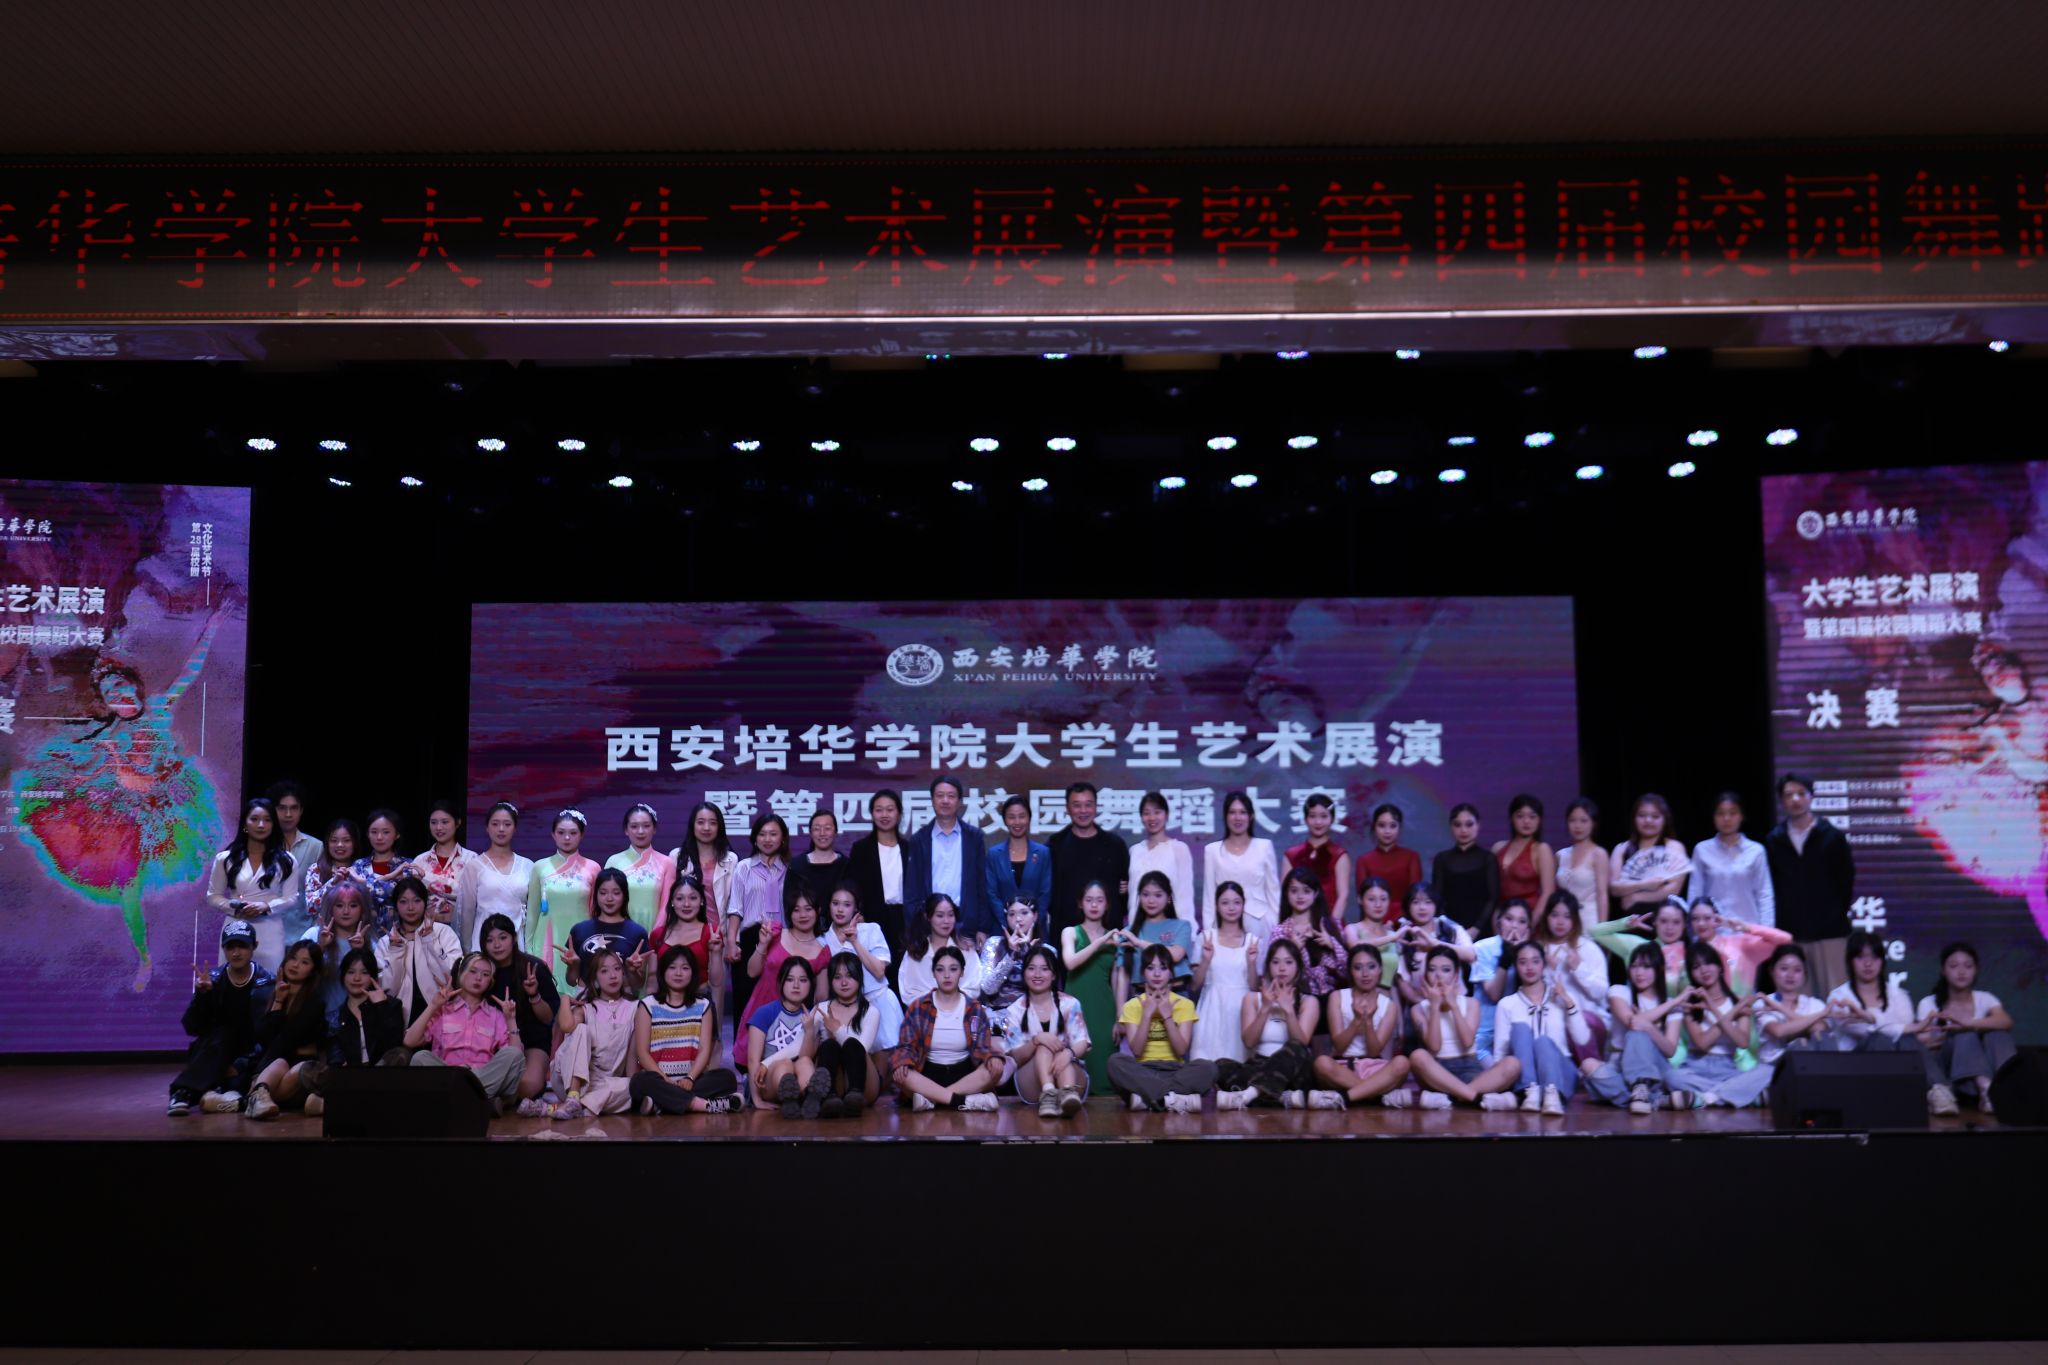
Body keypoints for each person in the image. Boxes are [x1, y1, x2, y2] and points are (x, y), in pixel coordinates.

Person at [166, 919, 276, 1116]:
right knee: (223, 1034)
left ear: (254, 946)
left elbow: (268, 1033)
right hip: (216, 1050)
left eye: (242, 946)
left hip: (251, 1054)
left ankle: (228, 1098)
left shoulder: (267, 981)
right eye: (230, 947)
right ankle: (183, 1092)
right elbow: (192, 1027)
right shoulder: (213, 980)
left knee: (240, 1080)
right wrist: (204, 996)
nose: (236, 953)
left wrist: (241, 1064)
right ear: (223, 949)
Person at [1765, 773, 1856, 998]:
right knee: (1797, 998)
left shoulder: (1832, 836)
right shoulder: (1774, 840)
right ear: (1781, 800)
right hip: (1791, 933)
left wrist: (1832, 913)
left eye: (1801, 793)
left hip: (1830, 932)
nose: (1795, 799)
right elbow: (1771, 887)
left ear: (1811, 796)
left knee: (1836, 996)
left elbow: (1845, 881)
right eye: (1789, 795)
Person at [404, 950, 527, 1112]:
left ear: (490, 981)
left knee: (514, 1055)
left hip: (483, 1076)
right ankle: (479, 1102)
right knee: (420, 1057)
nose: (478, 978)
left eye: (485, 974)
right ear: (461, 974)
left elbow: (516, 1057)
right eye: (473, 971)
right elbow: (409, 1041)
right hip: (448, 1076)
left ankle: (460, 1099)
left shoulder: (496, 1015)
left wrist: (511, 1019)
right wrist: (433, 1006)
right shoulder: (443, 1010)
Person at [523, 947, 638, 1119]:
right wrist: (564, 1000)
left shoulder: (634, 1008)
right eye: (604, 971)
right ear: (595, 978)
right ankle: (573, 1096)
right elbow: (566, 1026)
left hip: (604, 1084)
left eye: (617, 969)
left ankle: (555, 1109)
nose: (613, 975)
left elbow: (632, 1056)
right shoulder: (586, 1008)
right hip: (568, 1079)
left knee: (635, 1086)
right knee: (581, 1029)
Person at [628, 945, 741, 1116]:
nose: (678, 973)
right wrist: (665, 1080)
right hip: (659, 1079)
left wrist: (690, 1077)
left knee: (727, 1078)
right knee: (638, 1082)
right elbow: (642, 1053)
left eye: (685, 968)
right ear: (663, 972)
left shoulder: (703, 1005)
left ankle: (661, 1104)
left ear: (693, 973)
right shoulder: (648, 1005)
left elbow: (704, 1050)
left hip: (691, 1080)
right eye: (672, 967)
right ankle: (702, 1105)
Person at [1405, 945, 1520, 1110]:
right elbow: (1434, 1047)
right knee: (1418, 1056)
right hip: (1436, 1071)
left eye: (1445, 970)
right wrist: (1435, 1006)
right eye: (1432, 970)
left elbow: (1467, 1042)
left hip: (1469, 1067)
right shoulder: (1418, 1009)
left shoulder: (1471, 1003)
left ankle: (1451, 1098)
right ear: (1426, 975)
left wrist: (1453, 1005)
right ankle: (1475, 1098)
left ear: (1456, 975)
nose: (1438, 976)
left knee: (1512, 1063)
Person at [892, 945, 1004, 1112]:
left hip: (964, 1074)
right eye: (940, 969)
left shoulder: (974, 1008)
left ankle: (932, 1100)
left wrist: (992, 1058)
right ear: (933, 973)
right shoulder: (919, 1006)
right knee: (901, 1074)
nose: (946, 975)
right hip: (928, 1073)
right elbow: (906, 1045)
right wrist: (902, 1062)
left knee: (995, 1069)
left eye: (953, 969)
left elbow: (983, 1047)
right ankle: (964, 1101)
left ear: (962, 972)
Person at [1213, 938, 1323, 1109]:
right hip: (1260, 1065)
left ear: (1298, 967)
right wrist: (1265, 1008)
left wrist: (1289, 1010)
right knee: (1220, 1066)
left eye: (1289, 962)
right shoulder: (1252, 999)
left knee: (1295, 1046)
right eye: (1275, 962)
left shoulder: (1309, 1001)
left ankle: (1250, 1094)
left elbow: (1302, 1043)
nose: (1282, 968)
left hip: (1294, 1070)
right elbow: (1249, 1042)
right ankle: (1281, 1097)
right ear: (1268, 966)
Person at [1109, 943, 1214, 1114]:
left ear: (1170, 972)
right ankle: (1172, 1099)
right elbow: (1137, 1050)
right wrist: (1146, 1014)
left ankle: (1149, 1099)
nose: (1157, 974)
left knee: (1208, 1068)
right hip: (1143, 1072)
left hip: (1175, 1071)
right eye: (1150, 968)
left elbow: (1181, 1050)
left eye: (1163, 968)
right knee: (1115, 1062)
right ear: (1143, 972)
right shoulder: (1132, 1006)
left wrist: (1167, 1016)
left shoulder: (1184, 1004)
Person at [1915, 941, 2017, 1116]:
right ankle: (1986, 1090)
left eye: (1968, 966)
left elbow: (2006, 1022)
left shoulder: (1985, 998)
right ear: (1943, 970)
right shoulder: (1929, 1003)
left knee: (1999, 1035)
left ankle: (2001, 1088)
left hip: (1987, 1072)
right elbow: (1922, 1043)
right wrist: (1947, 1036)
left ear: (1976, 970)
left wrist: (1968, 1023)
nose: (1961, 972)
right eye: (1954, 966)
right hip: (1949, 1074)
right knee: (1964, 1036)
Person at [1494, 939, 1593, 1116]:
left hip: (1560, 1072)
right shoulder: (1506, 1004)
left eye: (1535, 961)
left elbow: (1582, 1039)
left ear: (1544, 964)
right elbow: (1500, 1053)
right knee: (1520, 1029)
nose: (1529, 967)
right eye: (1523, 962)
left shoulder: (1562, 996)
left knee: (1543, 1042)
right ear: (1516, 966)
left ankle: (1550, 1095)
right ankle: (1529, 1091)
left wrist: (1569, 1003)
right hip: (1525, 1077)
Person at [1667, 941, 1770, 1108]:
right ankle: (1733, 1096)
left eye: (1708, 963)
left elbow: (1742, 1042)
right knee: (1671, 1076)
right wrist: (1734, 1010)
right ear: (1691, 974)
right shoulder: (1691, 1004)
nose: (1704, 970)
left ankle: (1703, 1098)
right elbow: (1702, 1043)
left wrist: (1713, 1007)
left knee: (1767, 1071)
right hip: (1695, 1067)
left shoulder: (1738, 1000)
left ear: (1720, 967)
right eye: (1696, 967)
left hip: (1727, 1070)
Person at [205, 797, 297, 973]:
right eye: (254, 819)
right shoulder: (226, 858)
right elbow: (213, 896)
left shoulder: (286, 860)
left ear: (273, 825)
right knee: (231, 978)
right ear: (245, 824)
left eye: (267, 820)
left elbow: (292, 897)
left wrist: (266, 906)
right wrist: (235, 908)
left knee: (268, 979)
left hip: (270, 929)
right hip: (236, 926)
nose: (261, 825)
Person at [1595, 943, 1689, 1114]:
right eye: (1635, 966)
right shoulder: (1619, 992)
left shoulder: (1669, 1003)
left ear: (1659, 969)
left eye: (1646, 967)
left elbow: (1669, 1050)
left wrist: (1649, 1027)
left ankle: (1642, 1086)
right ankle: (1657, 1099)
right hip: (1620, 1062)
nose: (1639, 973)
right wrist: (1675, 1002)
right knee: (1589, 1067)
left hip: (1656, 1064)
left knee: (1638, 1034)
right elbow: (1632, 1022)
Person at [240, 940, 328, 1121]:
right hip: (272, 1066)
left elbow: (289, 1038)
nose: (295, 965)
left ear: (313, 970)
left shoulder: (315, 1002)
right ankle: (258, 1097)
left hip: (295, 1067)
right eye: (293, 958)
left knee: (297, 1067)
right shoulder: (266, 993)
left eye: (305, 962)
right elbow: (264, 1038)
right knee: (280, 1063)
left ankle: (250, 1098)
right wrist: (279, 1001)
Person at [1315, 943, 1411, 1106]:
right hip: (1342, 1067)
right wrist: (1357, 1020)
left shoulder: (1389, 1005)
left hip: (1374, 1067)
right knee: (1321, 1063)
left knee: (1402, 1063)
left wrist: (1368, 1022)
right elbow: (1339, 1047)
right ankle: (1375, 1095)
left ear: (1380, 970)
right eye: (1358, 968)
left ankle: (1346, 1097)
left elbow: (1374, 1052)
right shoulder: (1337, 997)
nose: (1365, 974)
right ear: (1351, 972)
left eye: (1371, 967)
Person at [903, 775, 995, 944]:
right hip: (928, 926)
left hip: (966, 925)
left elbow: (982, 885)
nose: (945, 801)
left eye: (951, 796)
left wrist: (982, 927)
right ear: (932, 800)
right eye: (940, 795)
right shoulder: (919, 839)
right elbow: (911, 890)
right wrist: (915, 928)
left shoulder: (974, 837)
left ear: (959, 801)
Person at [738, 885, 831, 1050]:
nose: (803, 915)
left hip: (794, 1021)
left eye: (808, 909)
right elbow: (752, 972)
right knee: (753, 1062)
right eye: (796, 910)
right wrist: (763, 944)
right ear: (789, 913)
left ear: (818, 911)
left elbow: (821, 998)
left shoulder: (822, 952)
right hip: (761, 1009)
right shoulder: (775, 934)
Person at [1061, 879, 1131, 1096]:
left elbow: (1118, 978)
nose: (1094, 905)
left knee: (1104, 1073)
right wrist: (1100, 942)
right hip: (1075, 1006)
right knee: (1075, 1063)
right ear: (1080, 903)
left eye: (1099, 900)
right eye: (1089, 900)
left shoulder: (1115, 938)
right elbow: (1070, 962)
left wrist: (1119, 1017)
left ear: (1107, 904)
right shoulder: (1070, 932)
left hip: (1104, 1008)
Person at [478, 912, 558, 1102]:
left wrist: (534, 994)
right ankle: (491, 1100)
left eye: (502, 938)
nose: (497, 945)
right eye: (490, 940)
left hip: (532, 1043)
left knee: (527, 1086)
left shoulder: (533, 967)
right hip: (492, 1043)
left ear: (514, 938)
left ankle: (490, 1100)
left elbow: (548, 1018)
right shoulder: (482, 971)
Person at [1004, 944, 1090, 1117]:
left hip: (1069, 1074)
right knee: (1043, 1045)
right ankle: (1048, 1094)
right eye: (1031, 968)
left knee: (1061, 1051)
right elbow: (1016, 1056)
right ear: (1024, 973)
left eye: (1044, 969)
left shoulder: (1070, 1003)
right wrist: (1036, 1040)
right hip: (1031, 1082)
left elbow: (1083, 1041)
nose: (1037, 974)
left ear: (1054, 975)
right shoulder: (1014, 1010)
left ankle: (1067, 1094)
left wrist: (1069, 1054)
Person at [726, 812, 791, 1040]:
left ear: (783, 838)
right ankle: (743, 1055)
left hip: (782, 939)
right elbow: (735, 908)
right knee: (745, 999)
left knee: (779, 996)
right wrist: (732, 942)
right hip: (749, 939)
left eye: (773, 834)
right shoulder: (744, 868)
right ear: (754, 838)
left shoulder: (791, 870)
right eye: (762, 834)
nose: (767, 839)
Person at [819, 881, 903, 1052]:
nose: (840, 910)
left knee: (891, 1061)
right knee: (855, 1058)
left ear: (856, 908)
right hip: (847, 1010)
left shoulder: (870, 930)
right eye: (835, 903)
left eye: (847, 905)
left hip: (880, 1002)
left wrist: (855, 941)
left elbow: (879, 971)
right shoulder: (822, 941)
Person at [375, 876, 464, 1033]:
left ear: (425, 903)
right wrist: (395, 951)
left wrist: (430, 941)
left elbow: (450, 979)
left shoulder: (443, 933)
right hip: (401, 1021)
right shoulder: (385, 942)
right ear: (395, 906)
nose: (410, 907)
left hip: (442, 1016)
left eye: (416, 901)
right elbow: (388, 990)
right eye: (403, 902)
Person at [527, 808, 602, 995]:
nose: (566, 838)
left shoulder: (593, 867)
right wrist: (529, 950)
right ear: (553, 834)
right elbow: (532, 913)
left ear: (582, 835)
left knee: (582, 992)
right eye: (561, 832)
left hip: (581, 937)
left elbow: (597, 912)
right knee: (548, 993)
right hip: (547, 936)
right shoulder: (540, 867)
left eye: (573, 833)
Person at [1049, 781, 1132, 938]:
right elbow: (1048, 894)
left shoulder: (1115, 845)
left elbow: (1126, 893)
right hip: (1065, 935)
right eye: (1077, 805)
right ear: (1067, 808)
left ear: (1096, 807)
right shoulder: (1055, 845)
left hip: (1108, 936)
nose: (1083, 810)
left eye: (1088, 804)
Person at [1191, 881, 1259, 1063]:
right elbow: (1195, 985)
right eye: (1225, 902)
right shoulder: (1206, 938)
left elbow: (1255, 987)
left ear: (1243, 905)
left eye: (1236, 902)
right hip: (1212, 1007)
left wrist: (1251, 963)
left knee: (1238, 1063)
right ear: (1216, 905)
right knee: (1206, 1062)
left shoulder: (1252, 941)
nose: (1231, 908)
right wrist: (1206, 960)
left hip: (1242, 1009)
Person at [849, 789, 910, 991]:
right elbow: (854, 887)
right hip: (873, 920)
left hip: (904, 921)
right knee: (876, 977)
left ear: (899, 814)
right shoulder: (861, 849)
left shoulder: (909, 848)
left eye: (890, 810)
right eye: (879, 810)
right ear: (872, 814)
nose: (884, 815)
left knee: (903, 975)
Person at [747, 956, 822, 1118]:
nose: (796, 985)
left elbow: (806, 1056)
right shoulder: (765, 1013)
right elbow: (753, 1060)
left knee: (805, 1062)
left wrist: (809, 1030)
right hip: (768, 1080)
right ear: (781, 983)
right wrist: (756, 1100)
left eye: (803, 980)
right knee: (785, 1063)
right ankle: (790, 1098)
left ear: (811, 984)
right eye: (790, 979)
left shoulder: (813, 1016)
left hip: (799, 1077)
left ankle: (806, 1100)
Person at [1534, 890, 1611, 1045]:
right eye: (1554, 915)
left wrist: (1579, 968)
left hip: (1587, 1018)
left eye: (1567, 916)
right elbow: (1533, 996)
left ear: (1575, 919)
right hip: (1551, 1020)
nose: (1560, 922)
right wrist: (1547, 970)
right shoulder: (1538, 950)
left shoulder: (1588, 947)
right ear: (1546, 917)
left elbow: (1601, 993)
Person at [1689, 792, 1775, 930]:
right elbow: (1695, 893)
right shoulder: (1702, 850)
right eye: (1720, 813)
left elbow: (1764, 894)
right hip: (1712, 932)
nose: (1726, 818)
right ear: (1713, 817)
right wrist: (1694, 931)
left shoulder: (1756, 851)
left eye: (1732, 813)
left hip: (1747, 930)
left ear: (1741, 816)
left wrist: (1766, 931)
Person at [1203, 790, 1281, 940]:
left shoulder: (1264, 847)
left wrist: (1275, 927)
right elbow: (1209, 898)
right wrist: (1209, 933)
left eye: (1242, 812)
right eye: (1232, 812)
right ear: (1225, 817)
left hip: (1260, 923)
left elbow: (1273, 892)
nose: (1237, 818)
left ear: (1251, 816)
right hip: (1224, 926)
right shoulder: (1212, 851)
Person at [809, 951, 881, 1116]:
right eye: (837, 977)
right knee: (829, 1045)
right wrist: (766, 1064)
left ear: (859, 977)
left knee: (853, 1045)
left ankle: (854, 1097)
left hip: (863, 1084)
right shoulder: (821, 1009)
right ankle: (829, 1098)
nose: (843, 982)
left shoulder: (871, 1012)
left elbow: (860, 1050)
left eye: (849, 976)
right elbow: (798, 1045)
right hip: (835, 1082)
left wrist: (837, 1030)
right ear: (830, 981)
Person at [456, 801, 534, 950]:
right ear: (487, 827)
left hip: (517, 942)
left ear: (515, 828)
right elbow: (467, 913)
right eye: (495, 824)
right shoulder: (475, 866)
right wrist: (468, 952)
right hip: (484, 941)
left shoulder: (527, 866)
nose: (501, 829)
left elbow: (532, 913)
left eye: (507, 824)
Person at [1263, 866, 1346, 1003]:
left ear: (1316, 893)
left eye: (1306, 891)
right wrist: (1293, 949)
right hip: (1295, 1000)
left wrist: (1332, 944)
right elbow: (1274, 974)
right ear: (1286, 894)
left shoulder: (1331, 925)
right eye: (1294, 891)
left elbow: (1347, 972)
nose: (1300, 896)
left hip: (1331, 1000)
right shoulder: (1280, 932)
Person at [565, 868, 653, 992]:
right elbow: (571, 981)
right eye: (603, 893)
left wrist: (632, 971)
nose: (609, 898)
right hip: (586, 998)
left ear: (625, 895)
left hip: (623, 999)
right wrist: (574, 967)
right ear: (595, 895)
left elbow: (638, 984)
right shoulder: (579, 930)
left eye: (616, 893)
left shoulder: (637, 932)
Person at [1754, 944, 1836, 1073]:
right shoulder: (1763, 1002)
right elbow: (1779, 1031)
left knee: (1823, 1039)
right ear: (1772, 971)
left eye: (1797, 970)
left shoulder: (1814, 1004)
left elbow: (1818, 1029)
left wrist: (1779, 1008)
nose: (1790, 975)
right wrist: (1821, 1014)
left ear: (1804, 974)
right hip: (1773, 1066)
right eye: (1784, 968)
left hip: (1813, 1065)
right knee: (1800, 1045)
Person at [1468, 898, 1533, 1062]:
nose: (1514, 926)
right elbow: (1494, 994)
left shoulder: (1532, 954)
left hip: (1517, 1029)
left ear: (1528, 928)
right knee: (1498, 1071)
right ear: (1499, 922)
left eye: (1522, 921)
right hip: (1484, 1033)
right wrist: (1506, 958)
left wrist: (1522, 954)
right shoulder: (1482, 948)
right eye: (1509, 919)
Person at [301, 881, 373, 1027]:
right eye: (339, 905)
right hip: (316, 1019)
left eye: (353, 905)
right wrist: (320, 948)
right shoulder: (313, 935)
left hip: (357, 1020)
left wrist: (359, 953)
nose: (346, 911)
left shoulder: (372, 943)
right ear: (331, 909)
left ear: (362, 910)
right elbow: (297, 975)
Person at [1394, 884, 1476, 1013]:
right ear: (1408, 906)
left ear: (1436, 905)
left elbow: (1471, 955)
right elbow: (1403, 982)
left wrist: (1434, 944)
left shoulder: (1450, 929)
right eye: (1416, 902)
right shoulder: (1403, 935)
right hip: (1420, 1007)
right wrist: (1427, 1006)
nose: (1422, 907)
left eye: (1428, 902)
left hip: (1456, 1004)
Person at [324, 946, 406, 1076]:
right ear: (343, 976)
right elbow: (334, 1054)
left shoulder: (391, 1005)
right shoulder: (334, 1018)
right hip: (350, 1076)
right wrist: (339, 1065)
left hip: (384, 1075)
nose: (357, 978)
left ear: (373, 977)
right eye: (351, 972)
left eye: (364, 972)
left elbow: (394, 1047)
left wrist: (381, 1007)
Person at [1589, 895, 1691, 997]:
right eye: (1663, 921)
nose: (1669, 927)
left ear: (1684, 925)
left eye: (1676, 922)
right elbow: (1595, 932)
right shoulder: (1637, 945)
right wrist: (1625, 923)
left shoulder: (1691, 955)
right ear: (1655, 921)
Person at [1689, 896, 1791, 996]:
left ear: (1717, 919)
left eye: (1707, 918)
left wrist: (1746, 927)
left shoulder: (1739, 945)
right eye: (1695, 919)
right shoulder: (1688, 953)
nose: (1701, 924)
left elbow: (1785, 939)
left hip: (1743, 1006)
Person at [1611, 793, 1690, 920]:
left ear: (1665, 819)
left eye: (1655, 816)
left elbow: (1674, 888)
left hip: (1665, 921)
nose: (1648, 820)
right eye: (1642, 815)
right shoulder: (1622, 849)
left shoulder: (1674, 847)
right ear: (1634, 818)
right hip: (1629, 920)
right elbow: (1614, 888)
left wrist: (1636, 897)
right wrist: (1644, 884)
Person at [671, 801, 739, 949]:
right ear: (692, 825)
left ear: (719, 827)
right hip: (685, 938)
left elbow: (735, 904)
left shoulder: (731, 859)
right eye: (701, 822)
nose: (706, 828)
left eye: (712, 823)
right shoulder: (677, 857)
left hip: (720, 937)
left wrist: (733, 941)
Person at [897, 893, 986, 1005]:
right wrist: (933, 1004)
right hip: (923, 1012)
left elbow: (973, 987)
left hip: (960, 1010)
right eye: (940, 916)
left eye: (950, 915)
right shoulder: (915, 951)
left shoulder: (965, 950)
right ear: (928, 917)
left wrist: (949, 1003)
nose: (946, 921)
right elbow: (908, 991)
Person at [265, 779, 323, 944]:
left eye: (294, 808)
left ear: (301, 810)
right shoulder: (262, 846)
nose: (288, 814)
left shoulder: (316, 846)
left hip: (303, 933)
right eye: (282, 808)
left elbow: (319, 893)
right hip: (266, 929)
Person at [650, 874, 722, 1006]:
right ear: (672, 902)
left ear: (701, 901)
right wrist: (648, 1008)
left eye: (693, 898)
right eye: (679, 898)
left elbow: (716, 982)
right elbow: (652, 981)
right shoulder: (658, 934)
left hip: (699, 1002)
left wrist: (716, 952)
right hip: (664, 1003)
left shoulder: (711, 933)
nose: (686, 904)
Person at [1431, 803, 1500, 940]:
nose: (1463, 830)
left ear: (1478, 826)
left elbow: (1493, 899)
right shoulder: (1441, 859)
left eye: (1469, 824)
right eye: (1458, 825)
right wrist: (1451, 929)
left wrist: (1476, 928)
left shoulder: (1488, 858)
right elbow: (1437, 898)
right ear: (1451, 827)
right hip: (1449, 932)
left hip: (1482, 931)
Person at [606, 802, 677, 934]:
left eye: (646, 826)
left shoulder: (667, 863)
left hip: (655, 932)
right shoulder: (613, 861)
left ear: (654, 829)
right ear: (626, 830)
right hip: (618, 932)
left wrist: (655, 935)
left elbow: (667, 905)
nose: (640, 831)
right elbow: (605, 902)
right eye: (634, 826)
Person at [1128, 790, 1197, 927]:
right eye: (1146, 813)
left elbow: (1185, 897)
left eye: (1157, 812)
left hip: (1170, 928)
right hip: (1137, 928)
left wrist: (1187, 931)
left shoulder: (1179, 849)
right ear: (1141, 817)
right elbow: (1132, 893)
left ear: (1166, 815)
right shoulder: (1135, 850)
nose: (1152, 818)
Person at [1128, 869, 1199, 998]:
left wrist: (1139, 943)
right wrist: (1120, 1007)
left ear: (1168, 898)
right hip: (1141, 997)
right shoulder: (1130, 932)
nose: (1151, 901)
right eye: (1145, 895)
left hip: (1176, 995)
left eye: (1158, 895)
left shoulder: (1182, 926)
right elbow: (1122, 974)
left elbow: (1175, 955)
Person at [980, 895, 1048, 1030]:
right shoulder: (993, 943)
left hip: (1033, 1019)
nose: (1018, 919)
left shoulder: (1047, 951)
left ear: (1035, 916)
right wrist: (1011, 955)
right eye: (1012, 914)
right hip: (997, 1020)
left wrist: (1030, 954)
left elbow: (1046, 995)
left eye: (1024, 913)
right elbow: (988, 988)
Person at [1493, 795, 1556, 934]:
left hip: (1529, 919)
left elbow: (1548, 893)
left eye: (1532, 817)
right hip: (1503, 919)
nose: (1526, 821)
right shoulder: (1498, 848)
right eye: (1520, 816)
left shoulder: (1541, 849)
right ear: (1511, 818)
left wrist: (1529, 925)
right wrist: (1496, 921)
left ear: (1539, 820)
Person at [1285, 792, 1353, 922]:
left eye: (1324, 816)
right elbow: (1285, 895)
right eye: (1312, 816)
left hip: (1330, 923)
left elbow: (1343, 896)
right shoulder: (1291, 855)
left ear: (1332, 819)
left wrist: (1331, 927)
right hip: (1297, 925)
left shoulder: (1339, 855)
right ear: (1305, 819)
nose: (1318, 822)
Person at [352, 809, 423, 931]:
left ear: (397, 835)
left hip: (401, 933)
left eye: (386, 832)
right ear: (368, 834)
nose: (379, 837)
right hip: (364, 934)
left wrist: (364, 883)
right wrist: (389, 879)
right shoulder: (359, 866)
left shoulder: (407, 866)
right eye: (374, 832)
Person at [413, 799, 476, 932]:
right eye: (434, 822)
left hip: (462, 930)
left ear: (458, 823)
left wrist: (426, 878)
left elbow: (469, 895)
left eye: (445, 822)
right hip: (424, 930)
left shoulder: (471, 859)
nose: (439, 828)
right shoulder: (420, 861)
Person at [1356, 803, 1425, 917]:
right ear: (1374, 827)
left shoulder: (1411, 857)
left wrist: (1399, 920)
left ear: (1400, 828)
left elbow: (1415, 897)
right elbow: (1363, 900)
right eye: (1381, 825)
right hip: (1373, 922)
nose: (1387, 831)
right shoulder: (1364, 860)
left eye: (1393, 826)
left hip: (1406, 921)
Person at [1554, 798, 1609, 936]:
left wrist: (1602, 930)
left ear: (1593, 823)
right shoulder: (1560, 855)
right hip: (1564, 920)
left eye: (1584, 821)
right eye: (1572, 820)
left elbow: (1602, 894)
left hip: (1589, 919)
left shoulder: (1598, 854)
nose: (1577, 826)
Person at [302, 818, 366, 931]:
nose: (340, 845)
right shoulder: (316, 869)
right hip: (323, 931)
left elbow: (372, 905)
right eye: (334, 840)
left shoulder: (363, 869)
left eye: (346, 840)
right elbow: (310, 908)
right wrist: (332, 883)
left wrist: (360, 881)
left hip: (358, 932)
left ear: (355, 843)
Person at [789, 807, 850, 922]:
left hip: (840, 927)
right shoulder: (796, 865)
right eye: (817, 829)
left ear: (835, 832)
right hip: (804, 926)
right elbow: (790, 902)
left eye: (827, 828)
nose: (822, 833)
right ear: (810, 833)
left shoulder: (847, 865)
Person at [1344, 875, 1403, 991]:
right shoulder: (1353, 929)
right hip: (1361, 996)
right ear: (1360, 899)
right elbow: (1356, 946)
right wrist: (1391, 938)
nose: (1378, 905)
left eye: (1383, 899)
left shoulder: (1393, 934)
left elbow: (1397, 980)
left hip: (1389, 995)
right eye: (1371, 899)